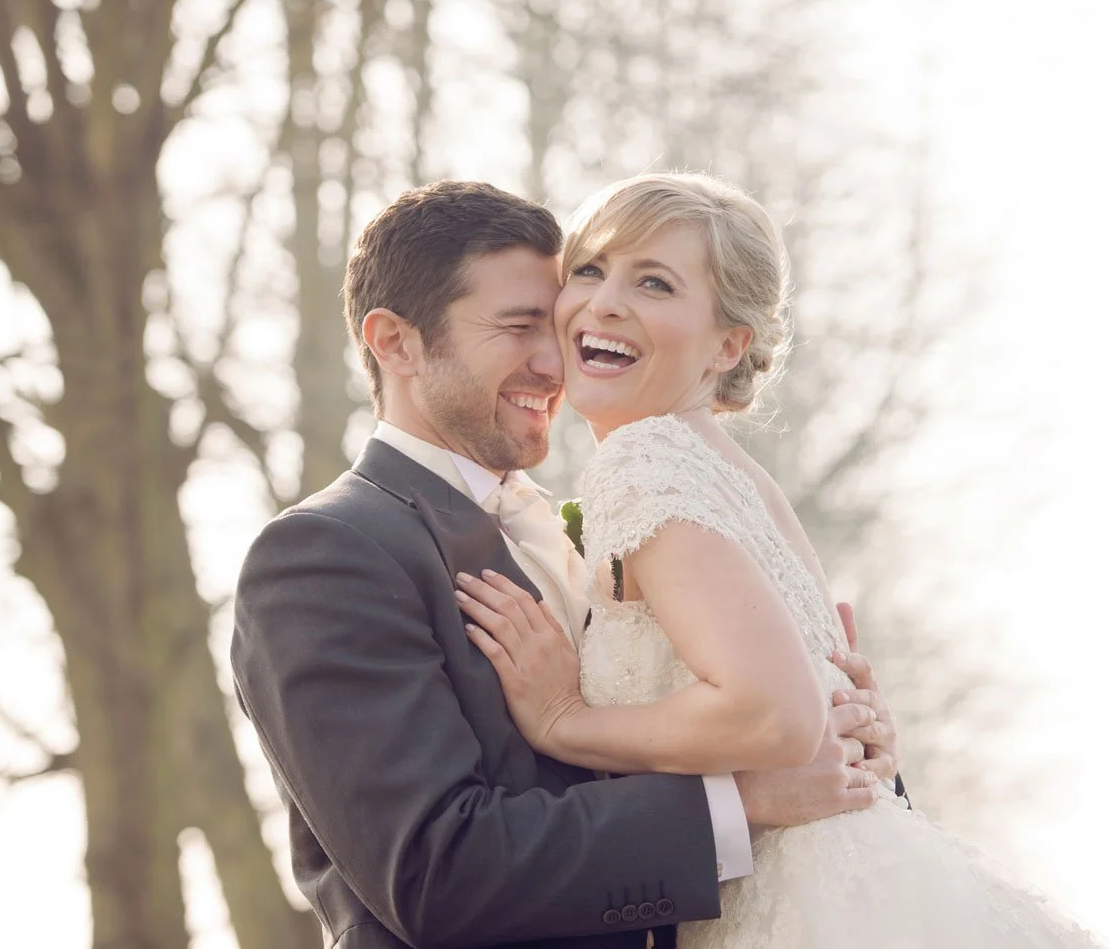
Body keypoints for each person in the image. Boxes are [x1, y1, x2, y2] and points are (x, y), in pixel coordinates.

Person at [230, 181, 900, 949]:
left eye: (554, 322)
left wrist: (861, 755)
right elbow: (434, 872)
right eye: (519, 327)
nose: (555, 360)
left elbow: (753, 732)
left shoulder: (613, 523)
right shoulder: (327, 555)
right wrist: (739, 802)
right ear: (395, 342)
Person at [455, 173, 1110, 948]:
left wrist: (567, 723)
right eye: (591, 270)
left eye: (654, 283)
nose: (603, 303)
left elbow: (774, 714)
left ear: (729, 343)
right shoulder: (735, 475)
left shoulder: (644, 460)